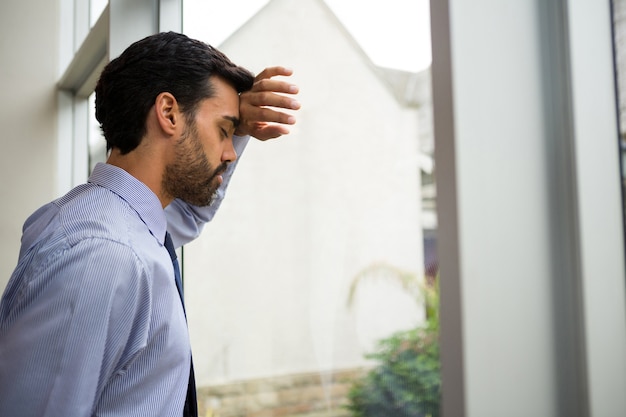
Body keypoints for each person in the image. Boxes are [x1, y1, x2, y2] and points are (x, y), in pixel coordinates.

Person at [0, 31, 300, 417]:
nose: (230, 152)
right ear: (169, 113)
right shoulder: (103, 255)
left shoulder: (118, 221)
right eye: (224, 131)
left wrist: (238, 127)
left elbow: (191, 215)